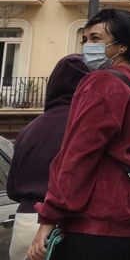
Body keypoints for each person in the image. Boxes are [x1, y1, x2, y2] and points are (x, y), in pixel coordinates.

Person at [28, 9, 130, 260]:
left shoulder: (102, 83)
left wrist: (50, 217)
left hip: (101, 223)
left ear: (122, 46)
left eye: (95, 39)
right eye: (84, 40)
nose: (86, 47)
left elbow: (78, 155)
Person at [7, 55, 88, 260]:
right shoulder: (87, 127)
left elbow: (12, 188)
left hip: (24, 221)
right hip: (68, 226)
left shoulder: (28, 129)